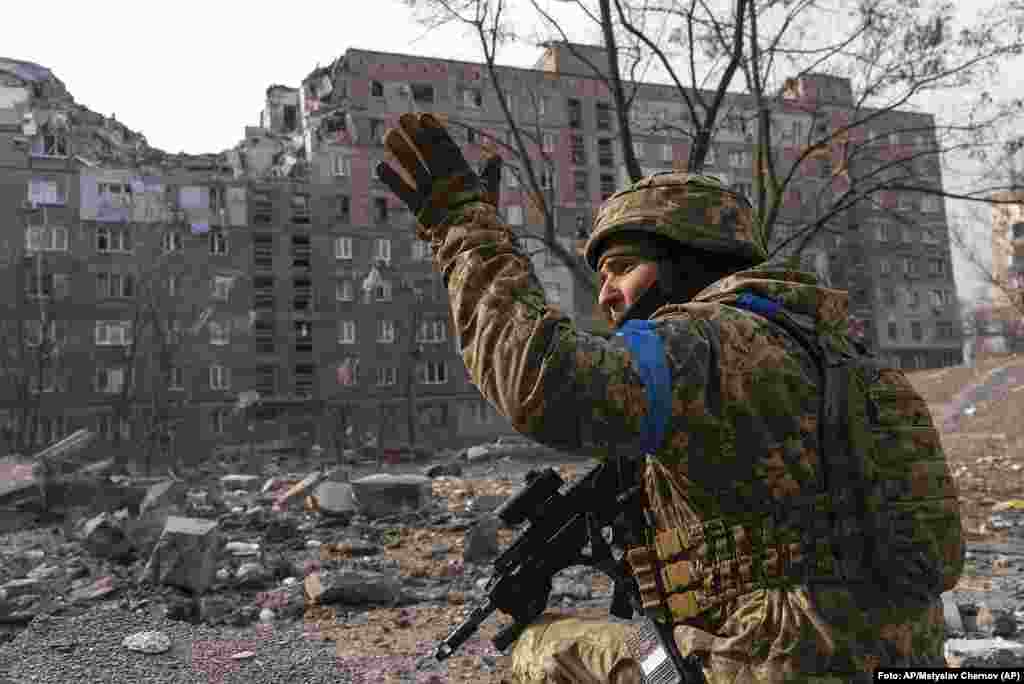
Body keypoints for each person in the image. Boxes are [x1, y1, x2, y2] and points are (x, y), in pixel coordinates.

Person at [378, 113, 958, 683]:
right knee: (647, 637)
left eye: (621, 269)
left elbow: (541, 381)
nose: (606, 295)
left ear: (688, 262)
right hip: (900, 658)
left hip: (772, 660)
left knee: (540, 646)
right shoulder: (841, 359)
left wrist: (462, 227)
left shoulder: (706, 343)